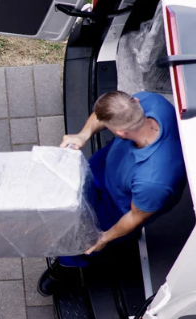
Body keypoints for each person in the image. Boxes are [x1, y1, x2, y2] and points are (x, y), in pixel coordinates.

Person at [37, 90, 186, 295]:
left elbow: (135, 216)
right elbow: (102, 115)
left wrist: (104, 237)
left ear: (120, 133)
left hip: (117, 207)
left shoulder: (154, 180)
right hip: (105, 168)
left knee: (82, 239)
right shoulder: (151, 102)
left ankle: (68, 268)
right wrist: (83, 135)